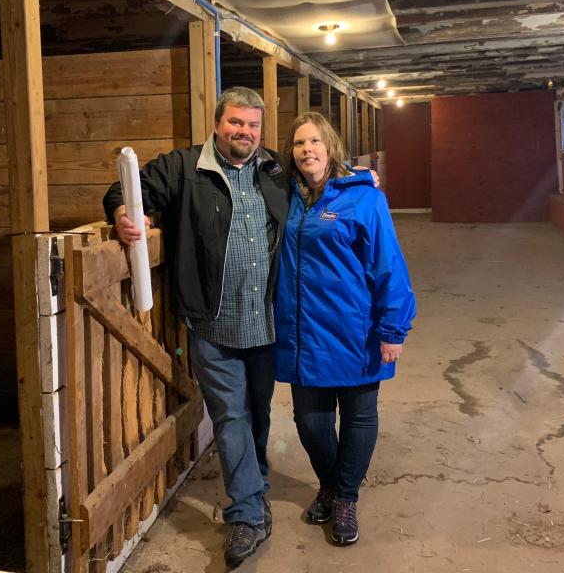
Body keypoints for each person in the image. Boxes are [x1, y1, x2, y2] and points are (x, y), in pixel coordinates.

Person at [103, 87, 289, 568]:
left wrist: (361, 181)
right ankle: (246, 513)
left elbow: (319, 186)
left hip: (266, 322)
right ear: (217, 122)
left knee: (259, 414)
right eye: (236, 124)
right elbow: (125, 191)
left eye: (252, 126)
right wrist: (126, 214)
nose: (243, 133)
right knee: (231, 416)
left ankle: (255, 485)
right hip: (212, 322)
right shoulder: (184, 167)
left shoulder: (273, 169)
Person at [273, 112, 416, 546]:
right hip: (302, 332)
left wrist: (394, 328)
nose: (307, 150)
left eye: (315, 141)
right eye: (299, 143)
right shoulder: (283, 194)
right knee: (310, 422)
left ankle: (345, 497)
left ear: (330, 147)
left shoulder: (363, 197)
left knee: (357, 416)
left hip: (354, 328)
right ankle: (332, 484)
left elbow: (387, 263)